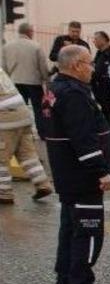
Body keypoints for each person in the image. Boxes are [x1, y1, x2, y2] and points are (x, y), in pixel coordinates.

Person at [44, 44, 110, 284]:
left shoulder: (56, 89)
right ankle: (81, 283)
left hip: (68, 176)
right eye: (89, 63)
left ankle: (65, 278)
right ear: (76, 65)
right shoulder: (74, 94)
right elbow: (83, 138)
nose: (93, 68)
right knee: (88, 229)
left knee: (69, 228)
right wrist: (101, 171)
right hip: (82, 177)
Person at [0, 67, 53, 204]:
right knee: (27, 154)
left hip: (5, 117)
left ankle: (4, 192)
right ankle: (43, 184)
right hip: (22, 114)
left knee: (1, 158)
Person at [1, 23, 51, 138]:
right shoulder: (36, 46)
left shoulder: (7, 47)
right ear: (29, 32)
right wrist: (46, 80)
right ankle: (42, 133)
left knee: (17, 109)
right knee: (38, 109)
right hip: (33, 83)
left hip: (15, 82)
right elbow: (42, 66)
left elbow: (4, 67)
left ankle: (18, 134)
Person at [91, 31, 110, 122]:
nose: (93, 41)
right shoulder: (99, 54)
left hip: (109, 93)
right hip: (98, 92)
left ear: (103, 40)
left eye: (95, 39)